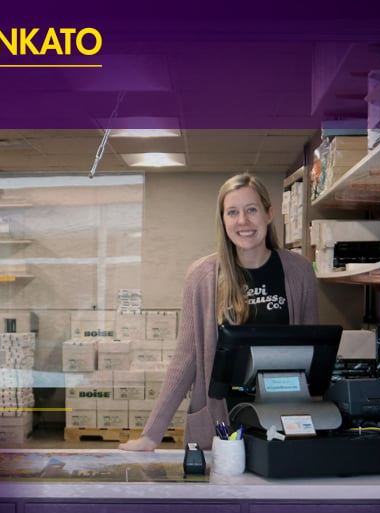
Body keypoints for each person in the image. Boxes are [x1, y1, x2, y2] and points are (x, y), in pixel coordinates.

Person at [119, 173, 320, 451]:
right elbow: (186, 357)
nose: (243, 221)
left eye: (251, 210)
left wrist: (317, 415)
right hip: (222, 422)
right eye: (232, 212)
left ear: (269, 214)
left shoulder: (299, 271)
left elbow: (313, 352)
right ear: (223, 220)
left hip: (283, 415)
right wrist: (151, 435)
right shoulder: (202, 276)